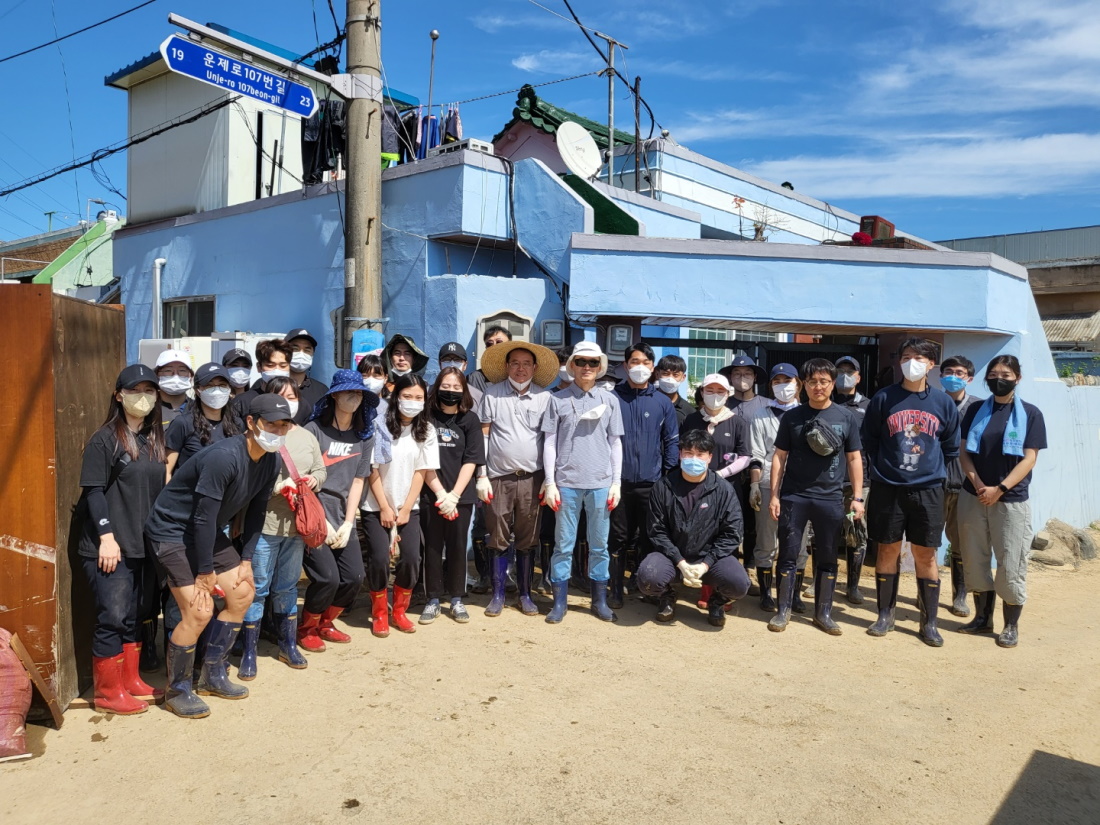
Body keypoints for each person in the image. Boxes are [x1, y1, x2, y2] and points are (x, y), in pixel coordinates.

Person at [144, 394, 291, 719]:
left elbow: (255, 512)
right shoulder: (224, 457)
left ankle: (213, 674)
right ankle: (178, 690)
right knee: (199, 610)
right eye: (271, 425)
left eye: (284, 426)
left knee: (242, 593)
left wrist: (246, 560)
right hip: (172, 530)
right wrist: (205, 572)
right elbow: (202, 517)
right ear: (251, 423)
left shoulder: (271, 460)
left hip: (204, 531)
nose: (278, 432)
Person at [77, 364, 167, 715]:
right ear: (119, 394)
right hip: (110, 546)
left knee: (133, 615)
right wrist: (106, 537)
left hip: (141, 543)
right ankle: (107, 692)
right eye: (135, 389)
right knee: (112, 618)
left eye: (149, 390)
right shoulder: (105, 439)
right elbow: (94, 493)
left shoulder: (153, 437)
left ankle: (129, 680)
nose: (142, 396)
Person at [861, 337, 960, 646]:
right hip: (888, 488)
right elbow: (870, 440)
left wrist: (929, 471)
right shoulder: (883, 398)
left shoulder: (943, 403)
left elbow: (950, 446)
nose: (911, 362)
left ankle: (929, 622)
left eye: (919, 357)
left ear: (931, 365)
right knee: (887, 549)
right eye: (906, 356)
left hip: (928, 490)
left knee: (926, 553)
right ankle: (885, 614)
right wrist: (883, 471)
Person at [766, 358, 864, 634]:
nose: (817, 387)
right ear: (803, 385)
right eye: (812, 381)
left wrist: (857, 497)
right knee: (787, 554)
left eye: (823, 381)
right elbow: (779, 457)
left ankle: (823, 613)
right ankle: (782, 611)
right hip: (794, 496)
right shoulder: (792, 417)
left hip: (831, 498)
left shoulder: (846, 417)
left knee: (828, 556)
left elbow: (855, 458)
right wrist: (774, 495)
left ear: (833, 384)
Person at [957, 355, 1046, 647]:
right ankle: (983, 619)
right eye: (994, 373)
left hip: (1011, 500)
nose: (999, 378)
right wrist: (980, 485)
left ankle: (1010, 626)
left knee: (1010, 561)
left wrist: (1001, 488)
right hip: (974, 496)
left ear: (1017, 378)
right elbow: (963, 453)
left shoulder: (1030, 414)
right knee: (974, 557)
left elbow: (1030, 458)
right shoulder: (974, 412)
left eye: (1006, 374)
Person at [242, 377, 326, 677]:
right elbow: (247, 481)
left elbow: (320, 468)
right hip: (265, 525)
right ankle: (248, 650)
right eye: (280, 396)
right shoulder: (259, 437)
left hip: (296, 527)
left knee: (288, 587)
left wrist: (314, 480)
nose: (286, 402)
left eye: (291, 396)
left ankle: (287, 644)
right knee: (257, 588)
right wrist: (280, 487)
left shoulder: (307, 436)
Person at [541, 342, 625, 623]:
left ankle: (599, 600)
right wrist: (550, 482)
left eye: (592, 363)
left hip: (601, 484)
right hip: (567, 483)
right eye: (581, 362)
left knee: (599, 545)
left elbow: (615, 443)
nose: (586, 368)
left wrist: (616, 482)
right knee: (563, 544)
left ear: (600, 367)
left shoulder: (610, 400)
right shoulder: (558, 400)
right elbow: (550, 442)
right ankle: (560, 603)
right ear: (572, 366)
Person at [636, 429, 750, 626]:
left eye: (700, 454)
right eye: (688, 454)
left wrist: (706, 563)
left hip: (711, 558)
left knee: (739, 583)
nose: (693, 459)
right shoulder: (664, 487)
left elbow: (732, 533)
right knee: (648, 577)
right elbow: (657, 530)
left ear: (709, 458)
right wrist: (680, 561)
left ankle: (717, 602)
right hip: (671, 557)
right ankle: (666, 596)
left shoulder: (723, 489)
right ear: (680, 455)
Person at [476, 339, 557, 616]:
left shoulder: (545, 398)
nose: (520, 369)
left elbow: (549, 441)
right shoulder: (492, 394)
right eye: (515, 363)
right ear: (506, 366)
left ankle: (525, 594)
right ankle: (497, 594)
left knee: (528, 537)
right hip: (499, 478)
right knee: (497, 536)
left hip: (532, 478)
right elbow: (484, 436)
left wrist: (549, 480)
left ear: (534, 367)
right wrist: (482, 474)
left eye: (526, 364)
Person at [301, 370, 377, 649]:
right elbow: (303, 481)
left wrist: (348, 522)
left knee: (354, 576)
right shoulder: (314, 431)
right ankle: (306, 627)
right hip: (313, 515)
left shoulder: (364, 437)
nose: (354, 397)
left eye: (358, 393)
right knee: (327, 578)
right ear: (333, 395)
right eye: (348, 392)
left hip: (343, 516)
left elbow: (359, 480)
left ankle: (326, 622)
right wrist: (324, 522)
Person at [361, 374, 439, 635]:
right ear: (396, 396)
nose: (413, 402)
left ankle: (400, 610)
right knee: (380, 559)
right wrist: (384, 506)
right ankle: (380, 612)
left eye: (419, 398)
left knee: (411, 559)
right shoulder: (378, 425)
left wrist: (406, 508)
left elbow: (422, 471)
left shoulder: (426, 430)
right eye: (407, 396)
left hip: (409, 506)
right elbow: (371, 469)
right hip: (376, 506)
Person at [608, 342, 679, 608]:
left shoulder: (662, 402)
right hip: (619, 484)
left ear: (653, 368)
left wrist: (667, 476)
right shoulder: (612, 398)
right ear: (626, 365)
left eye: (646, 363)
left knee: (650, 538)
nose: (640, 367)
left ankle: (648, 587)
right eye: (634, 362)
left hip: (652, 485)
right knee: (618, 538)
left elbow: (671, 441)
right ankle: (615, 589)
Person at [420, 367, 485, 624]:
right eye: (446, 386)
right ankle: (433, 598)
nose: (451, 391)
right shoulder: (426, 416)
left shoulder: (470, 420)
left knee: (458, 546)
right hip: (431, 493)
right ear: (437, 387)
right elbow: (422, 458)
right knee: (433, 547)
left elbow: (472, 460)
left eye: (457, 388)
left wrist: (454, 496)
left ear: (464, 391)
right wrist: (440, 494)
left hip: (462, 497)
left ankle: (457, 598)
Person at [682, 373, 752, 608]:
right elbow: (682, 450)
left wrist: (722, 474)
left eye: (720, 391)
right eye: (709, 391)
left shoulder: (737, 421)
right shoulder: (692, 420)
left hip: (727, 489)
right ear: (701, 393)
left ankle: (722, 591)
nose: (714, 396)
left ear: (728, 394)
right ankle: (703, 588)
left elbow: (745, 456)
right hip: (694, 488)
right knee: (701, 535)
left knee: (725, 536)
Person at [747, 364, 808, 612]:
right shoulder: (760, 414)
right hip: (766, 483)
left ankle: (794, 595)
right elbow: (756, 454)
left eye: (788, 380)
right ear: (770, 386)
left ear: (798, 383)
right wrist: (753, 484)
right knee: (766, 542)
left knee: (799, 542)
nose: (783, 385)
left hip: (800, 486)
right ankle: (766, 594)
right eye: (777, 381)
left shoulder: (807, 413)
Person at [940, 355, 979, 617]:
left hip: (965, 486)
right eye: (949, 371)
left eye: (960, 372)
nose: (954, 376)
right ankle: (926, 592)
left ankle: (959, 596)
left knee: (961, 543)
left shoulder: (978, 408)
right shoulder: (932, 402)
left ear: (969, 378)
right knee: (927, 541)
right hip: (934, 484)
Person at [832, 356, 871, 604]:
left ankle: (852, 586)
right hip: (828, 480)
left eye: (850, 371)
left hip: (857, 483)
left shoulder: (869, 406)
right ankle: (820, 580)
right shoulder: (823, 402)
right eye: (840, 371)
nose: (845, 375)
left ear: (858, 376)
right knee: (824, 532)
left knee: (856, 531)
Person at [165, 362, 240, 475]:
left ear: (229, 389)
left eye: (222, 385)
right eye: (210, 386)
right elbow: (167, 470)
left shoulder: (237, 424)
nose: (217, 391)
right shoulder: (183, 424)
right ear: (197, 390)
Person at [228, 338, 294, 427]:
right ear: (259, 367)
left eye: (283, 366)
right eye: (270, 365)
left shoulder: (298, 402)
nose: (277, 370)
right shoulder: (242, 402)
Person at [285, 328, 330, 424]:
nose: (301, 354)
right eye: (295, 349)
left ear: (313, 354)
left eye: (307, 350)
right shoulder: (271, 385)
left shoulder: (322, 390)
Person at [467, 324, 512, 398]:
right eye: (489, 343)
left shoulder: (519, 374)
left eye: (499, 342)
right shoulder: (475, 378)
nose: (494, 346)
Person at [722, 354, 769, 420]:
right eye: (737, 374)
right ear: (730, 377)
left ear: (755, 377)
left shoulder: (767, 405)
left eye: (747, 374)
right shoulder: (722, 404)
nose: (742, 377)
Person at [154, 349, 194, 427]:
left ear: (190, 376)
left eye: (182, 370)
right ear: (157, 374)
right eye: (168, 370)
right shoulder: (148, 410)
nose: (175, 375)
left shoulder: (199, 409)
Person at [655, 354, 694, 425]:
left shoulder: (689, 412)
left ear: (683, 377)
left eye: (675, 375)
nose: (670, 379)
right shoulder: (646, 403)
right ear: (657, 374)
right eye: (665, 374)